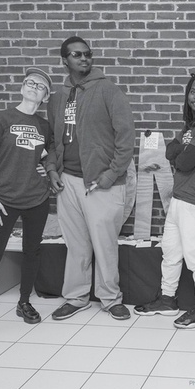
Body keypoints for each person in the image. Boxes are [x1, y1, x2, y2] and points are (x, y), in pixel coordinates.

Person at [49, 35, 136, 323]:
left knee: (105, 244)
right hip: (68, 181)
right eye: (76, 55)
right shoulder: (58, 96)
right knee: (76, 245)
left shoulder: (109, 90)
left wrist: (111, 175)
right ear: (65, 60)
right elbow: (52, 139)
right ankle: (76, 298)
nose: (84, 58)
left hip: (100, 182)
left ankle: (111, 299)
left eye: (87, 54)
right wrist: (52, 171)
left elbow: (126, 138)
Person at [135, 70, 195, 328]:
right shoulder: (192, 125)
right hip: (179, 198)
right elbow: (170, 152)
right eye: (193, 92)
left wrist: (184, 153)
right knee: (171, 254)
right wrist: (187, 151)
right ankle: (167, 300)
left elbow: (182, 161)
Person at [0, 66, 57, 345]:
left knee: (32, 252)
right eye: (30, 82)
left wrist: (46, 169)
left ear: (45, 96)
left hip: (36, 199)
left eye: (40, 86)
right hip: (4, 201)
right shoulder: (1, 118)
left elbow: (47, 155)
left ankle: (24, 302)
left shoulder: (44, 126)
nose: (33, 86)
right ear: (22, 87)